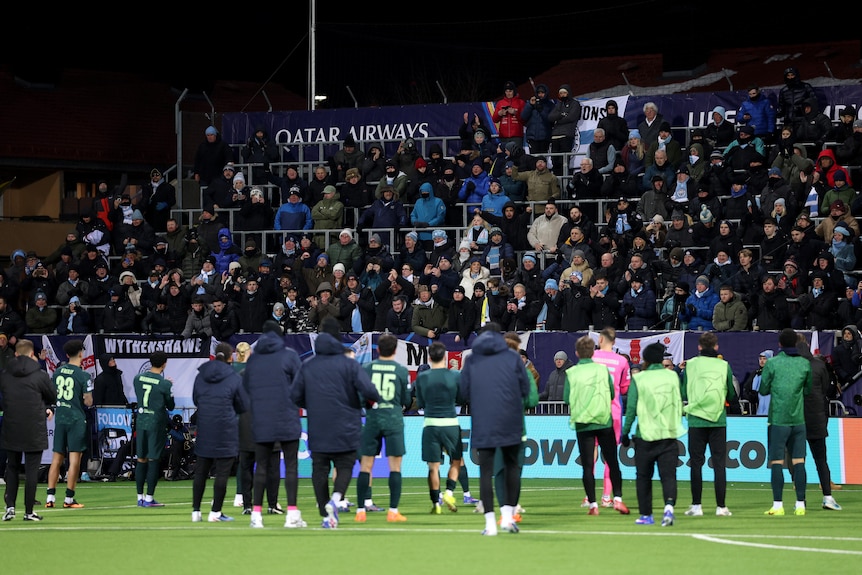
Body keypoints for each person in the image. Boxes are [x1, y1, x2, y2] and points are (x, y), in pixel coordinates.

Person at [291, 317, 382, 529]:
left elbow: (294, 396)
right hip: (346, 425)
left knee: (319, 470)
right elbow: (370, 391)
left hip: (318, 426)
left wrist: (311, 404)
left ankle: (326, 514)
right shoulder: (349, 364)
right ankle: (336, 498)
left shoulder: (308, 365)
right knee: (345, 465)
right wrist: (362, 401)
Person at [459, 322, 531, 536]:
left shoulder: (472, 359)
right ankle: (507, 518)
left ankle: (490, 524)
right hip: (510, 420)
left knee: (485, 472)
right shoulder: (513, 358)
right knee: (511, 467)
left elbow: (463, 392)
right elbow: (525, 389)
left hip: (483, 421)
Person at [564, 335, 629, 516]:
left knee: (587, 465)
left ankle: (593, 504)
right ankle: (617, 499)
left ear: (577, 353)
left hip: (583, 422)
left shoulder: (571, 373)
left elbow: (566, 398)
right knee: (612, 461)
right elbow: (611, 393)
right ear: (593, 352)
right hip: (603, 419)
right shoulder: (602, 370)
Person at [621, 341, 684, 527]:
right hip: (668, 434)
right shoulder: (672, 377)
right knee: (669, 476)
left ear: (646, 359)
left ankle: (646, 515)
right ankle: (669, 508)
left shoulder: (639, 379)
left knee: (643, 477)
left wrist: (625, 433)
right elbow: (678, 401)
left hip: (646, 436)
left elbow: (631, 409)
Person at [354, 334, 412, 523]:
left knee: (365, 465)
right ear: (395, 350)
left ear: (378, 350)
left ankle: (360, 511)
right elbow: (406, 400)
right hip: (393, 420)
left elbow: (360, 397)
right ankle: (393, 511)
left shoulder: (367, 368)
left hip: (373, 419)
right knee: (395, 467)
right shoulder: (401, 370)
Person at [680, 332, 736, 517]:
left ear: (699, 347)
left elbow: (684, 391)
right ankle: (721, 507)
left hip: (696, 419)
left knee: (696, 464)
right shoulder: (724, 365)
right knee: (719, 464)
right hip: (717, 419)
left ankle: (696, 506)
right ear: (716, 347)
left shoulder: (690, 365)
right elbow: (730, 392)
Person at [191, 342, 248, 523]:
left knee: (201, 472)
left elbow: (195, 399)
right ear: (231, 357)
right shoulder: (233, 377)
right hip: (226, 429)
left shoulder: (201, 375)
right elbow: (242, 405)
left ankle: (196, 511)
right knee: (222, 473)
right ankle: (215, 512)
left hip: (205, 427)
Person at [1, 339, 56, 522]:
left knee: (12, 467)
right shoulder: (40, 375)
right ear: (32, 354)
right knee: (32, 470)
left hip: (11, 425)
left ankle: (9, 508)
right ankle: (28, 511)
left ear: (16, 354)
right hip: (34, 426)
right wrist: (43, 406)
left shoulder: (5, 374)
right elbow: (52, 396)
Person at [759, 328, 812, 516]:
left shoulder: (772, 363)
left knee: (776, 462)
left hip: (778, 420)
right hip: (798, 420)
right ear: (796, 343)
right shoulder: (805, 364)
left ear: (780, 344)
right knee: (799, 461)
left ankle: (778, 505)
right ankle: (800, 505)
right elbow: (808, 390)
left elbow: (763, 390)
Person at [792, 333, 842, 511]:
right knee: (821, 460)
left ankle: (801, 501)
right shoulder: (819, 365)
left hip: (797, 417)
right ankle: (828, 497)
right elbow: (826, 389)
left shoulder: (791, 366)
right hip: (817, 418)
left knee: (799, 460)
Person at [414, 342, 464, 514]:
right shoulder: (455, 375)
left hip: (431, 424)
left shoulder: (422, 377)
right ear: (445, 357)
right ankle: (449, 492)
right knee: (456, 460)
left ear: (429, 358)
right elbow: (462, 398)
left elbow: (420, 402)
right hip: (451, 423)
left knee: (433, 466)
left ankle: (436, 503)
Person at [45, 339, 92, 510]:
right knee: (74, 460)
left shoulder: (58, 372)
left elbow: (53, 394)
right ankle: (69, 499)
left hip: (61, 418)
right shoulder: (83, 375)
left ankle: (50, 497)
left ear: (66, 354)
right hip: (76, 420)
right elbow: (88, 402)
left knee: (56, 459)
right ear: (81, 353)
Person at [132, 350, 174, 508]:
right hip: (156, 423)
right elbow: (171, 405)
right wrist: (169, 388)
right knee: (153, 459)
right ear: (164, 364)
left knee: (141, 459)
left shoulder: (137, 378)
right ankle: (149, 498)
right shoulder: (164, 383)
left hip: (141, 421)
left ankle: (139, 497)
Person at [548, 84, 581, 175]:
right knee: (555, 160)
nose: (562, 95)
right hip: (555, 136)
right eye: (561, 93)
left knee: (564, 161)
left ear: (568, 93)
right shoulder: (558, 105)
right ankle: (557, 181)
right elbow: (550, 117)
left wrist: (557, 120)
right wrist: (561, 115)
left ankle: (565, 181)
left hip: (566, 135)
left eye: (564, 93)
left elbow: (571, 117)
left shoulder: (575, 104)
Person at [193, 126, 234, 191]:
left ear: (215, 135)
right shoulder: (202, 146)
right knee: (205, 193)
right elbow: (197, 160)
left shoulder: (223, 145)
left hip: (219, 176)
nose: (210, 137)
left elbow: (229, 157)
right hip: (204, 177)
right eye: (208, 135)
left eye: (211, 135)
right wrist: (196, 173)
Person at [521, 83, 554, 155]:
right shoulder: (531, 103)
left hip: (545, 137)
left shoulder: (550, 105)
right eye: (539, 93)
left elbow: (550, 120)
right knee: (533, 158)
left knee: (542, 158)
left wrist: (541, 110)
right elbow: (523, 116)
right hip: (532, 137)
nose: (540, 95)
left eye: (542, 93)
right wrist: (530, 105)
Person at [493, 80, 526, 151]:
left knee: (517, 155)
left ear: (514, 91)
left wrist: (515, 113)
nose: (508, 93)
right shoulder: (500, 103)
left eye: (510, 91)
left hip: (516, 136)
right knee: (504, 155)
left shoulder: (521, 102)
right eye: (506, 91)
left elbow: (524, 119)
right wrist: (499, 114)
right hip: (503, 136)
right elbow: (494, 120)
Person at [141, 168, 176, 233]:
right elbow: (144, 199)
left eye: (157, 175)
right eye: (153, 175)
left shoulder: (168, 187)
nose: (155, 177)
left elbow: (172, 200)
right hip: (150, 215)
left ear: (161, 176)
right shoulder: (147, 187)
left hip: (163, 215)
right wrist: (146, 203)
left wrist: (165, 204)